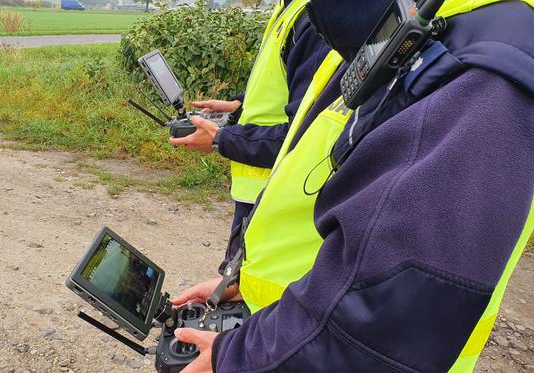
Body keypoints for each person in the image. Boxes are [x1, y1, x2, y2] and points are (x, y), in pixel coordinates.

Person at [172, 0, 534, 371]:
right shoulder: (406, 20)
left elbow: (379, 316)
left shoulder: (491, 67)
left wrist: (238, 358)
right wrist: (244, 280)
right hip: (282, 329)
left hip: (293, 350)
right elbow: (314, 150)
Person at [169, 0, 330, 259]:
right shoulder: (288, 8)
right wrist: (238, 105)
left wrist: (220, 138)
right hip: (256, 194)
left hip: (276, 200)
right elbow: (282, 84)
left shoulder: (312, 19)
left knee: (245, 290)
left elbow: (304, 135)